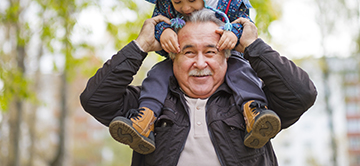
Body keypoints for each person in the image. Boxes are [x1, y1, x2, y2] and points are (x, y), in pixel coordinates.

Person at [80, 9, 317, 166]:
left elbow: (302, 94)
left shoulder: (254, 105)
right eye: (189, 52)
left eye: (211, 52)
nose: (200, 63)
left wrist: (253, 46)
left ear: (227, 57)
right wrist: (140, 46)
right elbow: (95, 100)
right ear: (173, 58)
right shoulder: (148, 104)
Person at [107, 0, 281, 154]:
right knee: (157, 74)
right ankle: (144, 119)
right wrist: (164, 33)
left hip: (225, 53)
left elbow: (244, 22)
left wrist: (233, 33)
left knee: (241, 71)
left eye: (192, 0)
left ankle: (254, 112)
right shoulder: (167, 4)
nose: (185, 8)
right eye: (177, 2)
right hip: (179, 56)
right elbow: (160, 22)